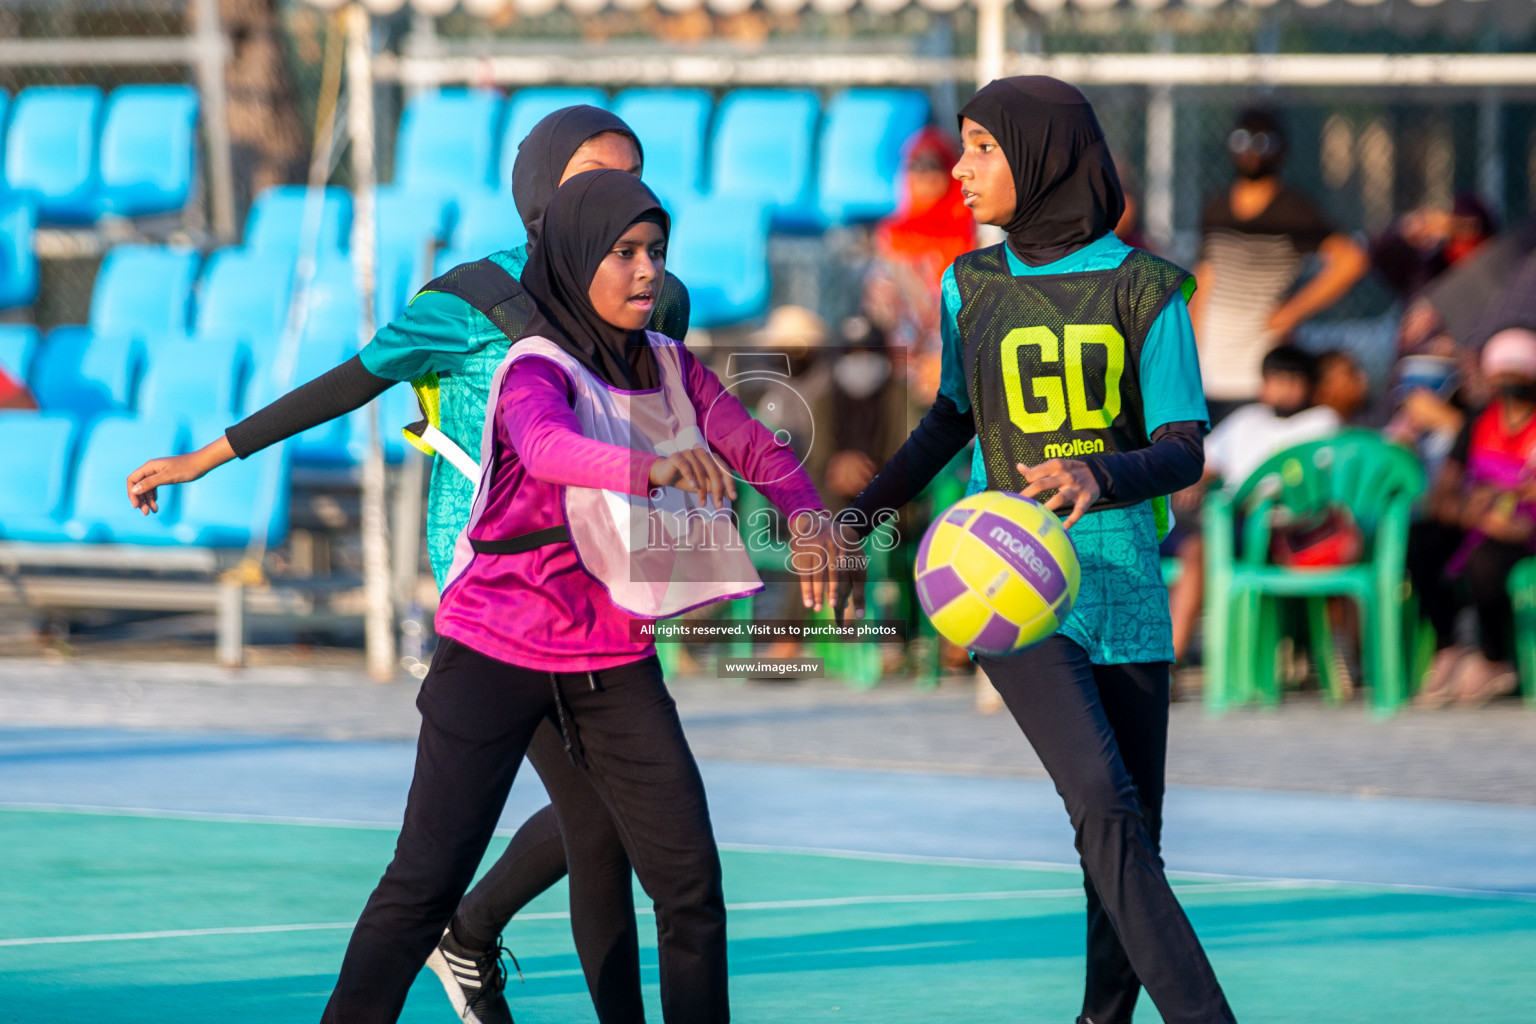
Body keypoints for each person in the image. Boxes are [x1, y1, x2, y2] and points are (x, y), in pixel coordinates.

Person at [124, 107, 694, 1024]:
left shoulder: (657, 300)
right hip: (494, 598)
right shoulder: (470, 301)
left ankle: (466, 940)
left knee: (605, 831)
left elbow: (661, 433)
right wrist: (208, 457)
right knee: (579, 833)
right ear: (542, 189)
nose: (619, 197)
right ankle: (457, 938)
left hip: (599, 602)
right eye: (594, 175)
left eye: (634, 178)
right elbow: (350, 381)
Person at [326, 170, 831, 1022]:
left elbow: (755, 445)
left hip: (611, 662)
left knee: (691, 889)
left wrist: (809, 519)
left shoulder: (670, 364)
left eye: (656, 254)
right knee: (425, 883)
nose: (646, 273)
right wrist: (652, 466)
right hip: (493, 652)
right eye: (623, 253)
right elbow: (550, 446)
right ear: (570, 258)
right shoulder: (534, 367)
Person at [833, 76, 1236, 1024]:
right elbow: (947, 423)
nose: (962, 171)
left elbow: (1183, 447)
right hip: (1004, 578)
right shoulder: (968, 284)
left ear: (1044, 156)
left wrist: (1102, 473)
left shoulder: (1147, 287)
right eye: (963, 147)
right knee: (1101, 801)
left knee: (1132, 836)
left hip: (1126, 578)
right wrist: (855, 520)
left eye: (982, 147)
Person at [1189, 109, 1368, 425]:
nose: (1252, 152)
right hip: (1207, 369)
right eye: (1243, 141)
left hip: (1260, 372)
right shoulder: (1216, 207)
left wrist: (1293, 311)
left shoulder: (1293, 211)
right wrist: (1188, 345)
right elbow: (1205, 277)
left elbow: (1351, 260)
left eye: (1262, 143)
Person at [1166, 346, 1343, 663]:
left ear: (1310, 384)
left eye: (1294, 380)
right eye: (1276, 379)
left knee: (1197, 551)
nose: (1284, 387)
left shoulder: (1322, 422)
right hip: (1221, 518)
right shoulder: (1247, 420)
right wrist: (1193, 480)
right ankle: (1155, 658)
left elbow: (1306, 485)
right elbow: (1204, 463)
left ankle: (1169, 661)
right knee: (1181, 544)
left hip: (1277, 530)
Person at [1407, 328, 1536, 708]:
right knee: (1422, 541)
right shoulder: (1478, 421)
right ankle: (1448, 645)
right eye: (1501, 373)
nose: (1507, 382)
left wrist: (1509, 505)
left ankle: (1494, 658)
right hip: (1479, 520)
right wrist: (1469, 511)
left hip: (1524, 528)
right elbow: (1444, 490)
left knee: (1487, 562)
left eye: (1517, 373)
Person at [864, 126, 976, 405]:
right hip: (905, 372)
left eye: (935, 165)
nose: (925, 175)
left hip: (960, 366)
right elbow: (882, 314)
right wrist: (913, 367)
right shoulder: (891, 239)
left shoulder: (973, 235)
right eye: (917, 166)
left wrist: (944, 363)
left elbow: (977, 314)